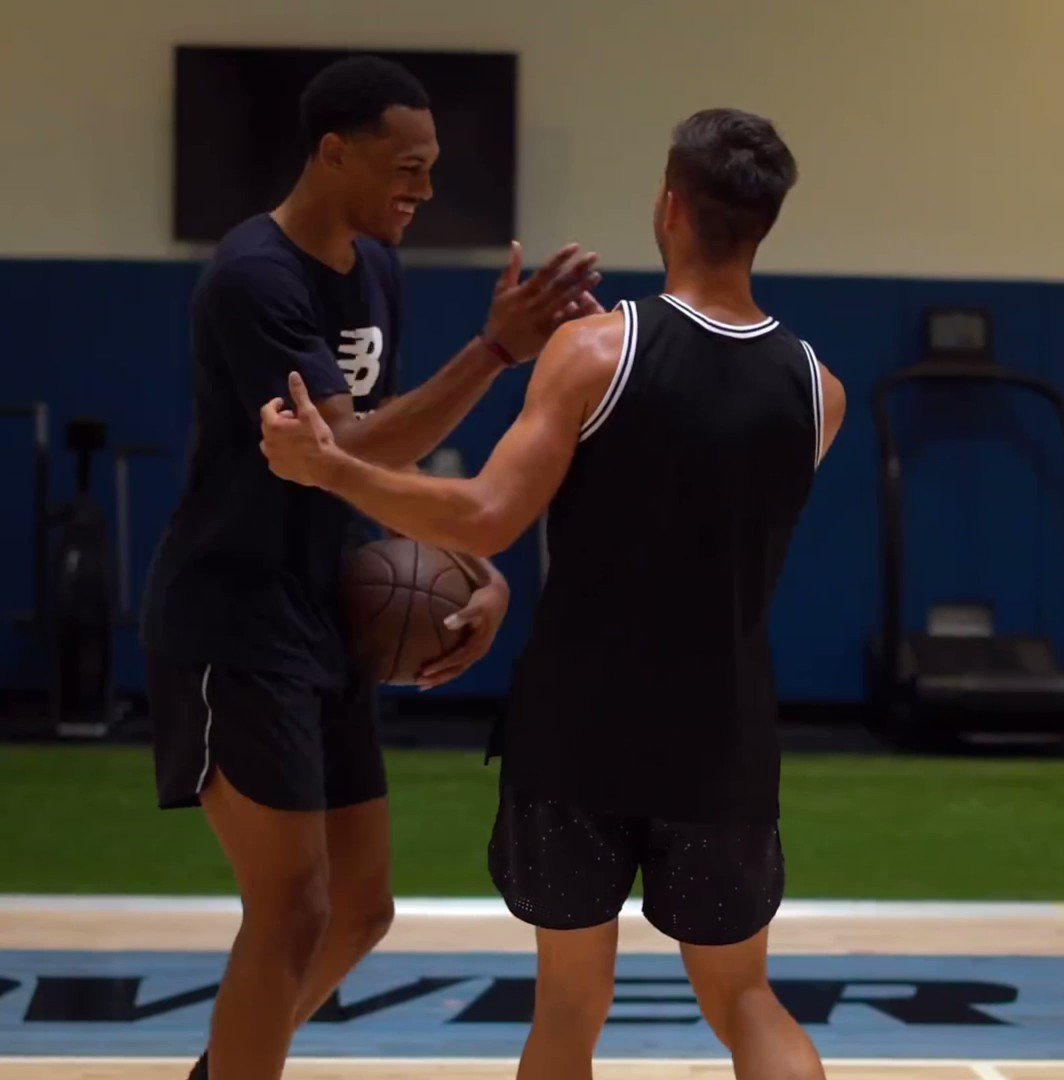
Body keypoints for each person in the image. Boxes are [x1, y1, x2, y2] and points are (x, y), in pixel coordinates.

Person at [261, 107, 845, 1080]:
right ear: (764, 222)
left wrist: (334, 471)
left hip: (579, 731)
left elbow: (487, 516)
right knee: (744, 999)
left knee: (571, 1006)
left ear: (668, 207)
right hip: (723, 731)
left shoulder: (591, 354)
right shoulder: (818, 387)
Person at [140, 55, 601, 1080]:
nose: (425, 191)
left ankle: (224, 1069)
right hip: (233, 615)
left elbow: (366, 472)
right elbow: (355, 453)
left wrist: (465, 564)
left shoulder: (375, 267)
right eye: (408, 168)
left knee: (361, 909)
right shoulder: (253, 278)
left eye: (433, 170)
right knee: (294, 907)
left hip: (323, 609)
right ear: (333, 152)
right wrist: (494, 353)